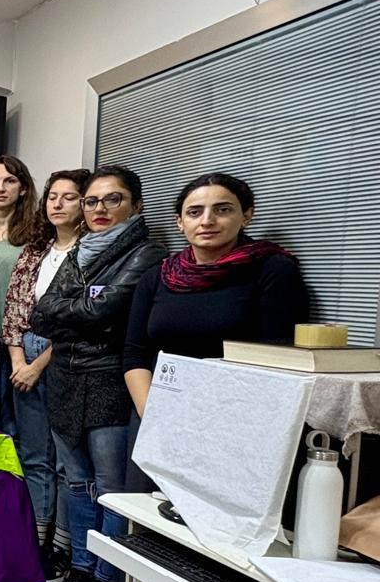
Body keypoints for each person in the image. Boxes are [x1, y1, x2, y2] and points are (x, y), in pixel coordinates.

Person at [31, 164, 164, 582]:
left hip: (108, 379)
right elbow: (41, 311)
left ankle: (107, 580)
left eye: (113, 200)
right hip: (67, 376)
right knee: (77, 483)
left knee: (111, 487)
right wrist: (81, 309)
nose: (100, 209)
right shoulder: (80, 250)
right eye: (92, 201)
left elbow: (103, 309)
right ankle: (84, 569)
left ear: (135, 205)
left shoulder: (146, 253)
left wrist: (78, 309)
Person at [124, 172, 307, 473]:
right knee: (145, 512)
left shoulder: (273, 270)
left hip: (233, 424)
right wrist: (152, 413)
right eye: (194, 212)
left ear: (247, 215)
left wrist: (212, 423)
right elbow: (134, 353)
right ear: (180, 222)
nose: (207, 220)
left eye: (223, 209)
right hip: (159, 414)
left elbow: (279, 361)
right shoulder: (159, 276)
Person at [2, 169, 89, 582]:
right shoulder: (36, 250)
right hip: (26, 351)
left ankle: (64, 546)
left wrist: (38, 365)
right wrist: (19, 358)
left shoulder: (92, 252)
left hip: (67, 356)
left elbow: (83, 322)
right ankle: (36, 538)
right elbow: (16, 306)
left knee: (67, 462)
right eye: (52, 196)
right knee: (34, 455)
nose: (57, 204)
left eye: (69, 197)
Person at [0, 156, 44, 432]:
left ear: (23, 188)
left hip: (25, 345)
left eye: (9, 181)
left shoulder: (37, 236)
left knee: (24, 430)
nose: (0, 188)